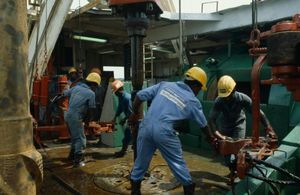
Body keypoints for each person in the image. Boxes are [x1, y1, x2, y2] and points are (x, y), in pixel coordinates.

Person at [128, 67, 217, 195]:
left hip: (146, 127)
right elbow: (203, 125)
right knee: (177, 163)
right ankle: (188, 188)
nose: (198, 92)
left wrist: (134, 114)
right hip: (164, 131)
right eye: (199, 89)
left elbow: (139, 95)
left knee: (140, 163)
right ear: (197, 85)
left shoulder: (165, 85)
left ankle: (135, 191)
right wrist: (211, 139)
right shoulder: (192, 101)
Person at [208, 75, 275, 174]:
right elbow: (211, 120)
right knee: (227, 154)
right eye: (224, 96)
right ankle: (232, 169)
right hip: (225, 126)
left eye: (228, 95)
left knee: (238, 150)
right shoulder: (219, 101)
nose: (226, 98)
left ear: (234, 89)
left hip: (239, 124)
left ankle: (237, 172)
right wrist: (220, 136)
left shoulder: (243, 98)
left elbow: (257, 112)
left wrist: (268, 127)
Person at [63, 72, 101, 168]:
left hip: (67, 116)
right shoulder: (91, 93)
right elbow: (91, 109)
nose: (95, 88)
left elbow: (64, 94)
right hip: (76, 117)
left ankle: (71, 157)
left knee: (75, 137)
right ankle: (78, 161)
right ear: (93, 84)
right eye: (96, 86)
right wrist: (88, 122)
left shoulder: (75, 88)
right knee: (81, 139)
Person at [111, 80, 133, 157]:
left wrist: (124, 120)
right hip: (131, 118)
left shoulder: (127, 98)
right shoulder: (121, 97)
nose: (114, 94)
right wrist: (115, 117)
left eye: (115, 92)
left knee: (127, 136)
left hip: (135, 119)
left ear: (119, 91)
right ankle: (124, 151)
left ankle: (123, 152)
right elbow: (120, 108)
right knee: (130, 136)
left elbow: (131, 113)